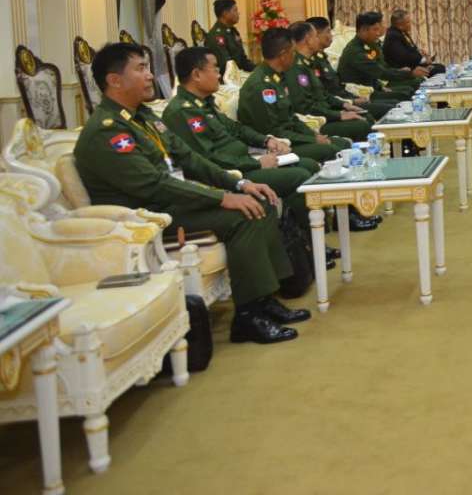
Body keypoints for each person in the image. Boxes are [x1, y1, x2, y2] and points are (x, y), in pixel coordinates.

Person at [73, 42, 306, 344]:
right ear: (115, 80)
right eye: (141, 68)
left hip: (173, 202)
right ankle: (248, 316)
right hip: (147, 217)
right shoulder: (107, 130)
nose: (150, 75)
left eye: (147, 67)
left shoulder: (143, 117)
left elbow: (190, 159)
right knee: (243, 216)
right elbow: (155, 184)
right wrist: (223, 197)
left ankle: (265, 299)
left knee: (259, 200)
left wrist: (239, 184)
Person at [162, 46, 333, 266]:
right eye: (214, 69)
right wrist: (256, 163)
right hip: (231, 174)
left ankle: (306, 245)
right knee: (299, 176)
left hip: (247, 162)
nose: (218, 74)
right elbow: (208, 158)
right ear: (196, 75)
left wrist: (266, 141)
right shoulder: (181, 112)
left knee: (307, 164)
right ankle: (309, 248)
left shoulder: (204, 103)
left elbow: (236, 129)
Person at [240, 29, 352, 166]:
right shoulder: (260, 86)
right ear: (283, 55)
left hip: (292, 137)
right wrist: (311, 140)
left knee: (343, 144)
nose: (295, 56)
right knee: (331, 150)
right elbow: (273, 131)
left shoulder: (276, 77)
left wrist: (313, 135)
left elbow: (291, 118)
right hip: (278, 146)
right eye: (293, 52)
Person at [287, 21, 375, 140]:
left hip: (326, 112)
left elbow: (324, 94)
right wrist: (338, 115)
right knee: (361, 125)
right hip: (315, 121)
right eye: (315, 36)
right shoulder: (296, 67)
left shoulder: (308, 63)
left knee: (365, 116)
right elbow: (305, 107)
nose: (318, 40)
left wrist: (345, 105)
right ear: (308, 40)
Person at [308, 16, 394, 119]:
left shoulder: (322, 57)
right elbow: (324, 95)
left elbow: (337, 86)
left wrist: (353, 99)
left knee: (394, 103)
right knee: (388, 109)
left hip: (347, 97)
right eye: (328, 31)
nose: (331, 35)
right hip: (334, 106)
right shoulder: (311, 63)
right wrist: (350, 102)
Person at [338, 11, 423, 97]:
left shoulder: (370, 43)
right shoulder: (355, 51)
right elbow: (380, 72)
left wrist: (399, 71)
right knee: (405, 93)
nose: (378, 33)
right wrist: (410, 74)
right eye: (375, 29)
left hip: (373, 87)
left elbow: (381, 66)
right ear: (363, 30)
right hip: (358, 93)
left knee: (409, 88)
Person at [383, 8, 444, 75]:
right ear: (400, 26)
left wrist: (421, 52)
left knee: (440, 67)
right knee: (438, 69)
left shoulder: (401, 32)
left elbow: (411, 49)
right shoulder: (393, 36)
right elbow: (404, 56)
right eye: (408, 22)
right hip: (404, 70)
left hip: (413, 64)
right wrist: (423, 60)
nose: (410, 24)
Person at [205, 0, 254, 72]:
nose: (238, 13)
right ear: (225, 13)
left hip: (237, 74)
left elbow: (243, 60)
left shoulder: (232, 31)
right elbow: (226, 66)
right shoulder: (217, 36)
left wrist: (258, 70)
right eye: (235, 10)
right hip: (226, 77)